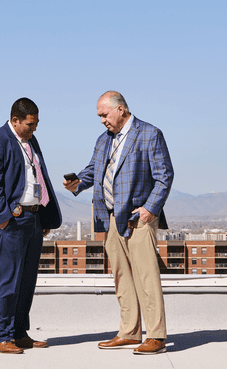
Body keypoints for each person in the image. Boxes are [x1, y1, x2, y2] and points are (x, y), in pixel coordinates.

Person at [63, 91, 173, 355]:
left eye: (104, 115)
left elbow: (164, 175)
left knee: (146, 277)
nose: (102, 121)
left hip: (139, 218)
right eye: (99, 116)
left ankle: (156, 336)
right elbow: (95, 170)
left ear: (121, 109)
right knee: (121, 277)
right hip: (111, 217)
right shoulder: (104, 140)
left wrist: (149, 209)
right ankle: (129, 332)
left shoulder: (149, 134)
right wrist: (78, 181)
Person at [0, 97, 62, 354]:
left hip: (33, 218)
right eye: (30, 124)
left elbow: (39, 177)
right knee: (7, 279)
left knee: (26, 280)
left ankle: (19, 333)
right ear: (15, 120)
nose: (34, 129)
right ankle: (0, 337)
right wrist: (4, 218)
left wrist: (43, 217)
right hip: (12, 220)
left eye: (36, 124)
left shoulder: (30, 141)